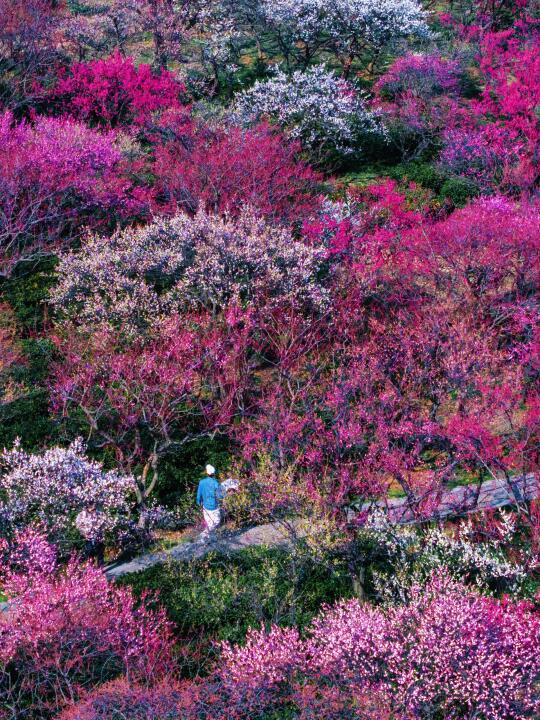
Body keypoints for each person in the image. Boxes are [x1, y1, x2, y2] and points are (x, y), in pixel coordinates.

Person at [196, 464, 222, 541]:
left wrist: (198, 502)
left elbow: (199, 494)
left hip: (205, 506)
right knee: (216, 521)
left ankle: (210, 538)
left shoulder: (202, 482)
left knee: (209, 523)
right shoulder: (216, 483)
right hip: (214, 506)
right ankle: (204, 536)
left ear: (207, 473)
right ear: (214, 473)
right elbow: (220, 496)